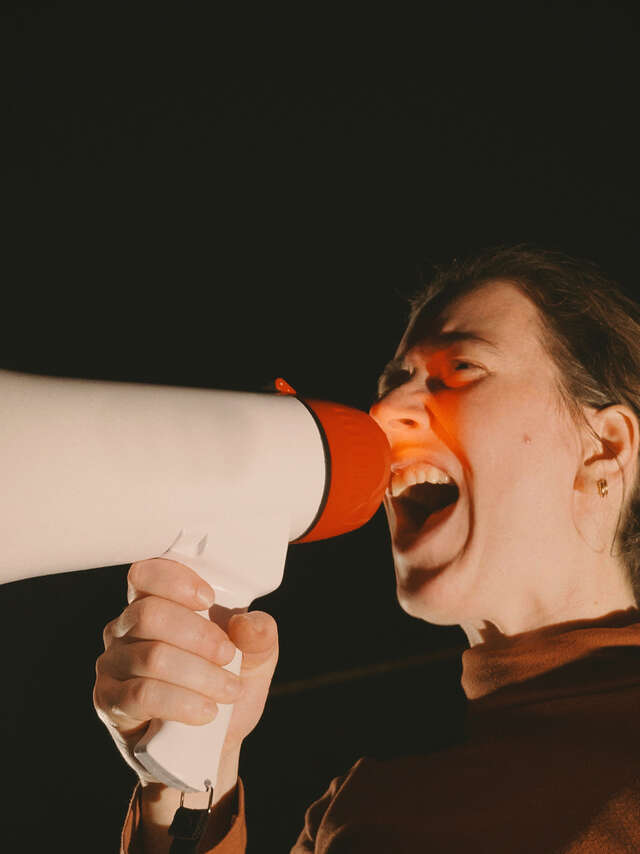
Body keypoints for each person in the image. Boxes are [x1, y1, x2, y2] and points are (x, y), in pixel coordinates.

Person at [94, 245, 640, 852]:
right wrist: (190, 781)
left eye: (461, 370)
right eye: (392, 383)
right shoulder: (357, 813)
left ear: (605, 449)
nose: (382, 411)